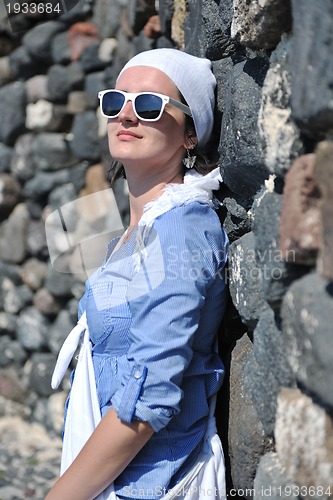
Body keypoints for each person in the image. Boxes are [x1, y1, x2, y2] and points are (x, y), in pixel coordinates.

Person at [47, 48, 229, 500]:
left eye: (149, 104)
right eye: (116, 101)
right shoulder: (132, 234)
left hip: (147, 485)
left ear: (190, 134)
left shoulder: (181, 229)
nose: (127, 114)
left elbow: (148, 402)